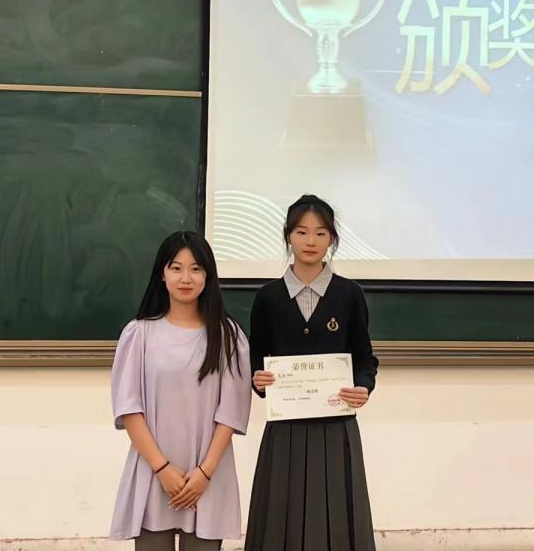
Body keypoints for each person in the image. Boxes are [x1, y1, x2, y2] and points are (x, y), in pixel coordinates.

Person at [244, 194, 379, 551]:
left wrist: (363, 386)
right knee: (281, 519)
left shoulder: (349, 294)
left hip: (336, 427)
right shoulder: (268, 297)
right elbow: (256, 357)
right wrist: (258, 379)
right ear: (288, 235)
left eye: (321, 233)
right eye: (301, 232)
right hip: (285, 429)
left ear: (332, 239)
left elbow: (365, 358)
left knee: (336, 519)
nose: (311, 241)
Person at [109, 231, 251, 550]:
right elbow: (130, 409)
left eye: (196, 268)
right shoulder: (139, 334)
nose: (186, 278)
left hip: (208, 477)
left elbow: (231, 413)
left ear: (208, 276)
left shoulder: (228, 336)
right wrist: (162, 469)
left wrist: (204, 473)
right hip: (154, 472)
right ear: (162, 274)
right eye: (176, 268)